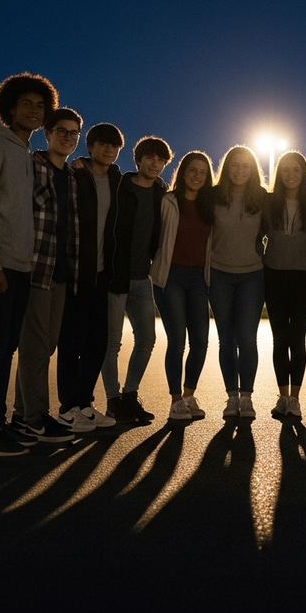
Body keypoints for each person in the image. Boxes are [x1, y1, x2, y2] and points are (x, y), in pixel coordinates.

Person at [0, 72, 58, 456]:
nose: (34, 111)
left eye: (40, 106)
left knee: (7, 347)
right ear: (9, 108)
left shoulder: (23, 151)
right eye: (26, 104)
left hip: (19, 264)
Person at [10, 108, 81, 445]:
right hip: (37, 268)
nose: (67, 137)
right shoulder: (32, 165)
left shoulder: (69, 175)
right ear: (48, 133)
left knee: (45, 346)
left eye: (73, 133)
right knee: (36, 346)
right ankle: (34, 416)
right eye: (61, 131)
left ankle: (24, 415)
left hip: (62, 270)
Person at [56, 122, 124, 430]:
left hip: (103, 273)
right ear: (91, 145)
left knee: (99, 343)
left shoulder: (116, 179)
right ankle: (68, 407)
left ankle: (85, 402)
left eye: (115, 146)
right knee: (72, 341)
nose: (109, 150)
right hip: (77, 272)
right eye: (104, 144)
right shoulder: (75, 175)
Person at [101, 136, 171, 422]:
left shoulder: (160, 192)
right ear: (138, 160)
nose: (155, 164)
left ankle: (130, 395)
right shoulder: (119, 185)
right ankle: (112, 400)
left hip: (143, 278)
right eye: (150, 158)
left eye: (161, 160)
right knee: (112, 343)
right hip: (116, 277)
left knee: (147, 338)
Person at [151, 151, 214, 422]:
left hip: (199, 279)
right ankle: (175, 400)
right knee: (177, 341)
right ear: (183, 172)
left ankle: (189, 396)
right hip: (171, 277)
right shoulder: (167, 201)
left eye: (202, 172)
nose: (197, 176)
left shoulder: (211, 206)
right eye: (192, 170)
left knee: (200, 341)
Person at [209, 145, 267, 419]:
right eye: (234, 165)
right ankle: (231, 397)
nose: (240, 170)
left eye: (245, 165)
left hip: (252, 275)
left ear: (253, 169)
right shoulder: (214, 196)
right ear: (226, 168)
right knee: (226, 339)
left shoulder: (263, 199)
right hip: (220, 274)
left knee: (247, 337)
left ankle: (247, 397)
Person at [264, 151, 306, 420]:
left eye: (296, 170)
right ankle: (282, 396)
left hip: (304, 277)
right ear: (279, 174)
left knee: (297, 338)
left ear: (303, 173)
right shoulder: (269, 201)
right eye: (285, 170)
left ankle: (295, 399)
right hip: (274, 276)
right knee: (279, 339)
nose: (291, 175)